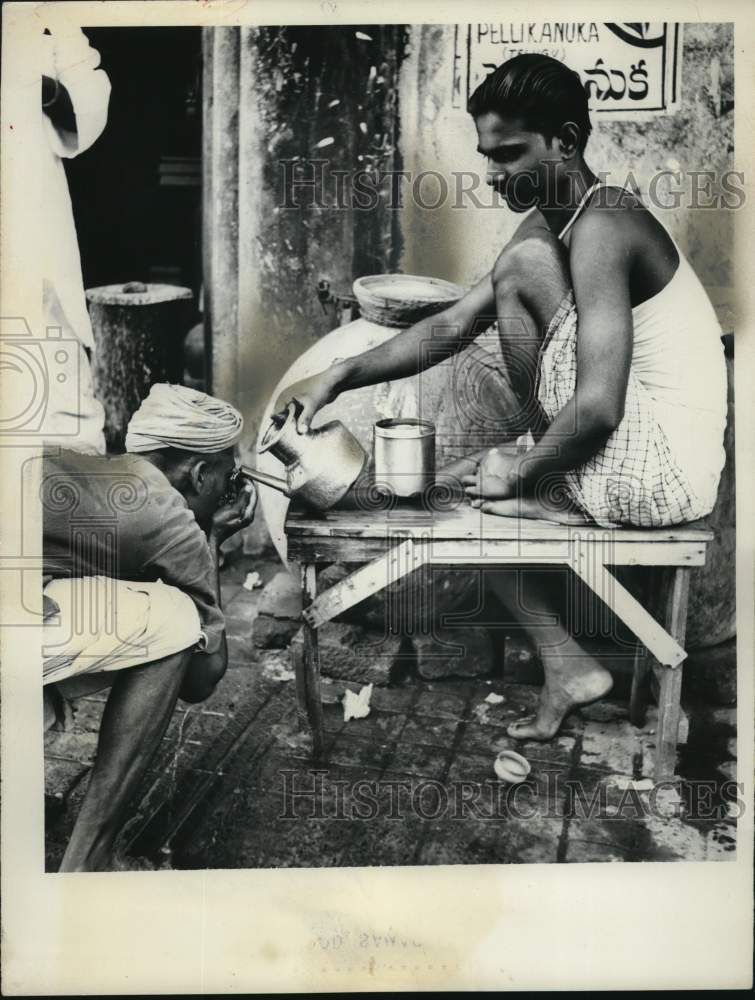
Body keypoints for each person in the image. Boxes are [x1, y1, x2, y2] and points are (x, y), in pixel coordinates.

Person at [275, 54, 727, 743]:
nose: (492, 175)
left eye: (509, 154)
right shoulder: (553, 222)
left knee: (487, 477)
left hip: (658, 474)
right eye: (485, 156)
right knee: (463, 490)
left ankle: (547, 495)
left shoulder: (603, 223)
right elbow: (454, 324)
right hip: (633, 450)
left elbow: (600, 406)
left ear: (566, 141)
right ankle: (566, 665)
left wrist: (523, 470)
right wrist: (336, 375)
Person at [42, 384, 257, 871]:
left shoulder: (97, 470)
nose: (231, 488)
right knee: (174, 622)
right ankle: (89, 861)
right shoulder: (168, 521)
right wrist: (213, 537)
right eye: (230, 476)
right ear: (201, 474)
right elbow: (204, 681)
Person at [40, 19, 111, 454]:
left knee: (51, 348)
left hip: (30, 205)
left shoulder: (45, 17)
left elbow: (88, 99)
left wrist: (43, 89)